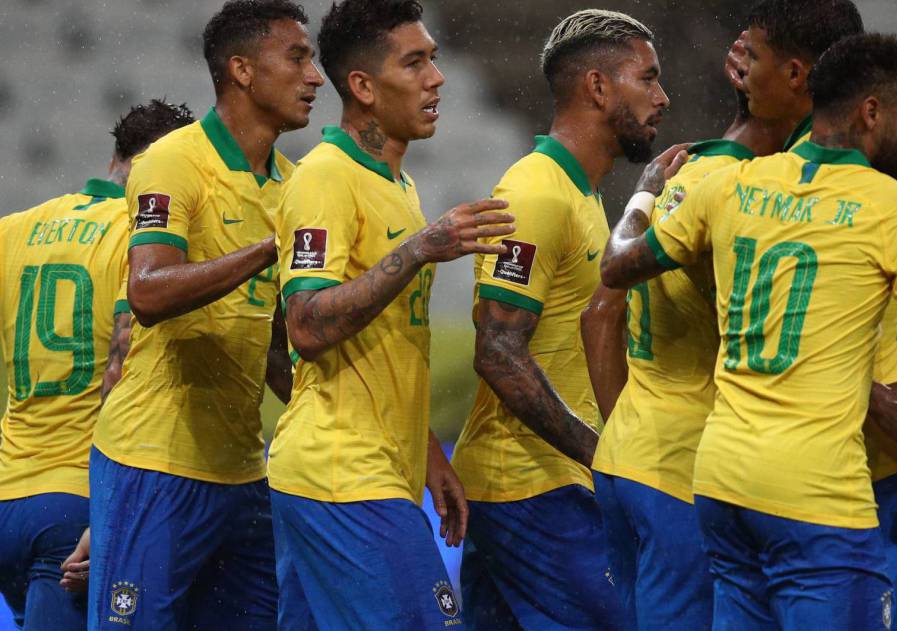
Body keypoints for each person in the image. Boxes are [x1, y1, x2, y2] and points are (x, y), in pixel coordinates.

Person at [600, 33, 897, 629]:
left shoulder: (732, 185)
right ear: (870, 112)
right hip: (818, 491)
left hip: (723, 484)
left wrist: (644, 193)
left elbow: (616, 265)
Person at [581, 4, 861, 627]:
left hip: (627, 460)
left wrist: (625, 432)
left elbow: (600, 312)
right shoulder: (746, 195)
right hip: (690, 472)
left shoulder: (687, 171)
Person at [267, 1, 514, 628]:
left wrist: (428, 454)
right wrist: (420, 249)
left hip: (372, 467)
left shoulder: (397, 185)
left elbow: (383, 344)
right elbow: (306, 323)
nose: (437, 78)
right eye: (416, 62)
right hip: (341, 473)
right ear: (363, 87)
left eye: (434, 59)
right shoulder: (325, 178)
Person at [86, 1, 323, 628]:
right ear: (242, 70)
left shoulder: (293, 183)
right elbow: (150, 292)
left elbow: (276, 341)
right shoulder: (173, 161)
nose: (315, 76)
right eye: (297, 57)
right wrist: (269, 249)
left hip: (243, 468)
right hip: (152, 464)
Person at [450, 9, 668, 629]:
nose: (663, 97)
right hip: (535, 491)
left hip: (529, 489)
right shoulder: (537, 194)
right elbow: (497, 350)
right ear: (598, 87)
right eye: (647, 79)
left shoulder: (581, 196)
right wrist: (603, 456)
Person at [0, 100, 194, 631]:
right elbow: (125, 364)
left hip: (7, 489)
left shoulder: (14, 230)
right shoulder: (144, 246)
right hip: (76, 505)